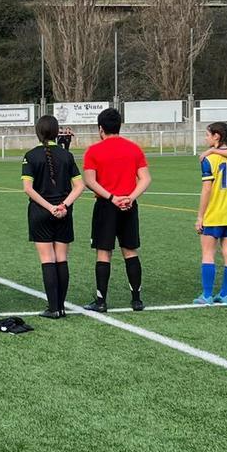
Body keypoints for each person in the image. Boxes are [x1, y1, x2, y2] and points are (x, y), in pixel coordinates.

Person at [81, 108, 151, 312]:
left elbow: (89, 181)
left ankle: (101, 301)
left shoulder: (93, 151)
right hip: (129, 205)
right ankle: (136, 300)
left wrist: (112, 197)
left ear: (100, 129)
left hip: (106, 205)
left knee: (104, 252)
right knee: (130, 251)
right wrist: (130, 197)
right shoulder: (134, 149)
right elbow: (145, 178)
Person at [21, 115, 85, 319]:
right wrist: (63, 205)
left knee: (47, 259)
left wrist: (49, 207)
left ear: (38, 133)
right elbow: (79, 186)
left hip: (40, 212)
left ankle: (53, 308)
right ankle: (62, 307)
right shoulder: (67, 156)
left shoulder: (30, 156)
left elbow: (28, 189)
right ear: (57, 132)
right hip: (64, 213)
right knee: (61, 258)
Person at [194, 122, 227, 305]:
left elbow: (206, 190)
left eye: (207, 135)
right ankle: (225, 295)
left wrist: (200, 216)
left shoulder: (209, 160)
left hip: (215, 213)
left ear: (216, 136)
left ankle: (207, 295)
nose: (205, 138)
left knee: (208, 253)